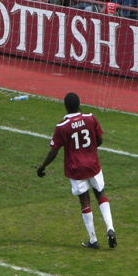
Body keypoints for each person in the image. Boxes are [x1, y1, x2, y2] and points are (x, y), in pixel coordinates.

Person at [36, 93, 116, 249]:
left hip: (76, 168)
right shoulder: (90, 118)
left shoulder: (62, 126)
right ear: (79, 104)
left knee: (84, 201)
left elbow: (53, 151)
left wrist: (42, 167)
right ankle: (110, 228)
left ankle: (93, 240)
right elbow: (99, 140)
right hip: (93, 164)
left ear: (66, 107)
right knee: (100, 194)